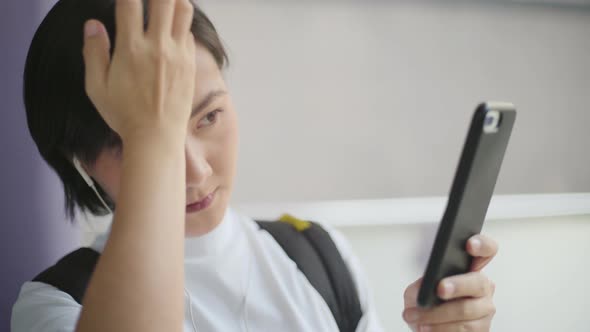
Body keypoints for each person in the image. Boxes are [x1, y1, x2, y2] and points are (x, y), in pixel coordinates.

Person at [11, 0, 498, 331]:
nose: (196, 172)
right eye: (136, 145)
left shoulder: (320, 258)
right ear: (81, 163)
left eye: (209, 116)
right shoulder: (55, 307)